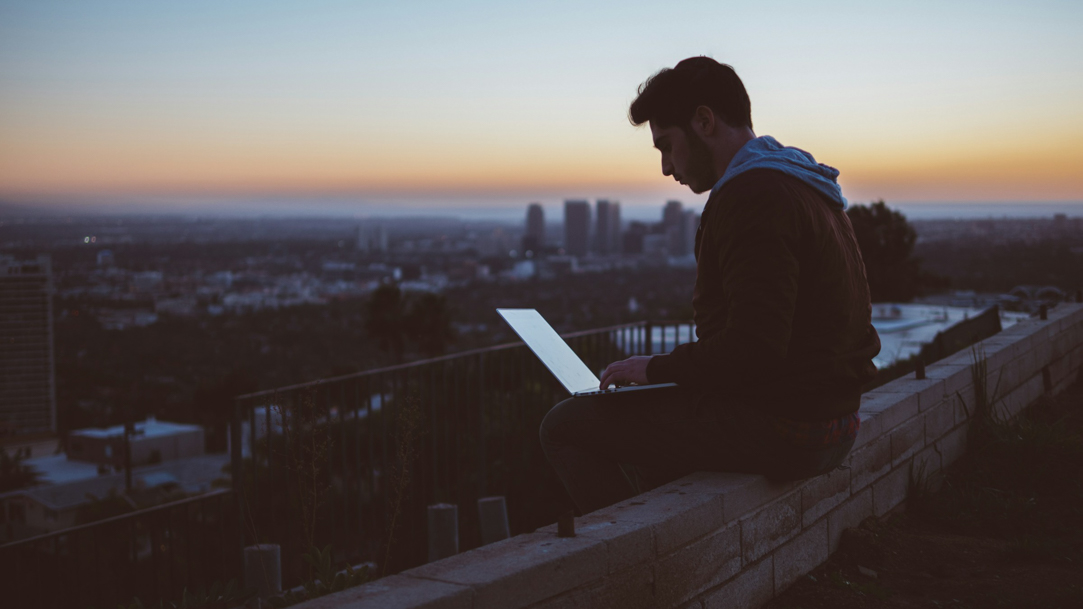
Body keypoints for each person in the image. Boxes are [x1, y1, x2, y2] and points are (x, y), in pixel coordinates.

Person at [539, 57, 882, 516]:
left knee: (564, 425)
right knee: (650, 423)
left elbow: (755, 348)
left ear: (704, 121)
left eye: (667, 146)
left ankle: (635, 560)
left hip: (791, 428)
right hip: (832, 419)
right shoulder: (803, 183)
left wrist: (655, 369)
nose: (666, 168)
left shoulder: (752, 196)